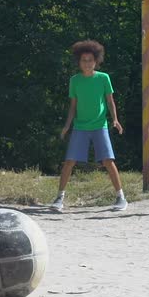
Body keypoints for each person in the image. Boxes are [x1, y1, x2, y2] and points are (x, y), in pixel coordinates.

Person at [50, 40, 127, 212]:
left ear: (96, 61)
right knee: (69, 161)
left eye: (90, 60)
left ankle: (121, 197)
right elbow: (73, 106)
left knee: (108, 160)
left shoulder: (103, 78)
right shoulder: (75, 80)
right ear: (79, 61)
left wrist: (115, 119)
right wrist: (67, 125)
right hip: (80, 127)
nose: (87, 63)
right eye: (84, 60)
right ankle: (59, 198)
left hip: (100, 125)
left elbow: (110, 100)